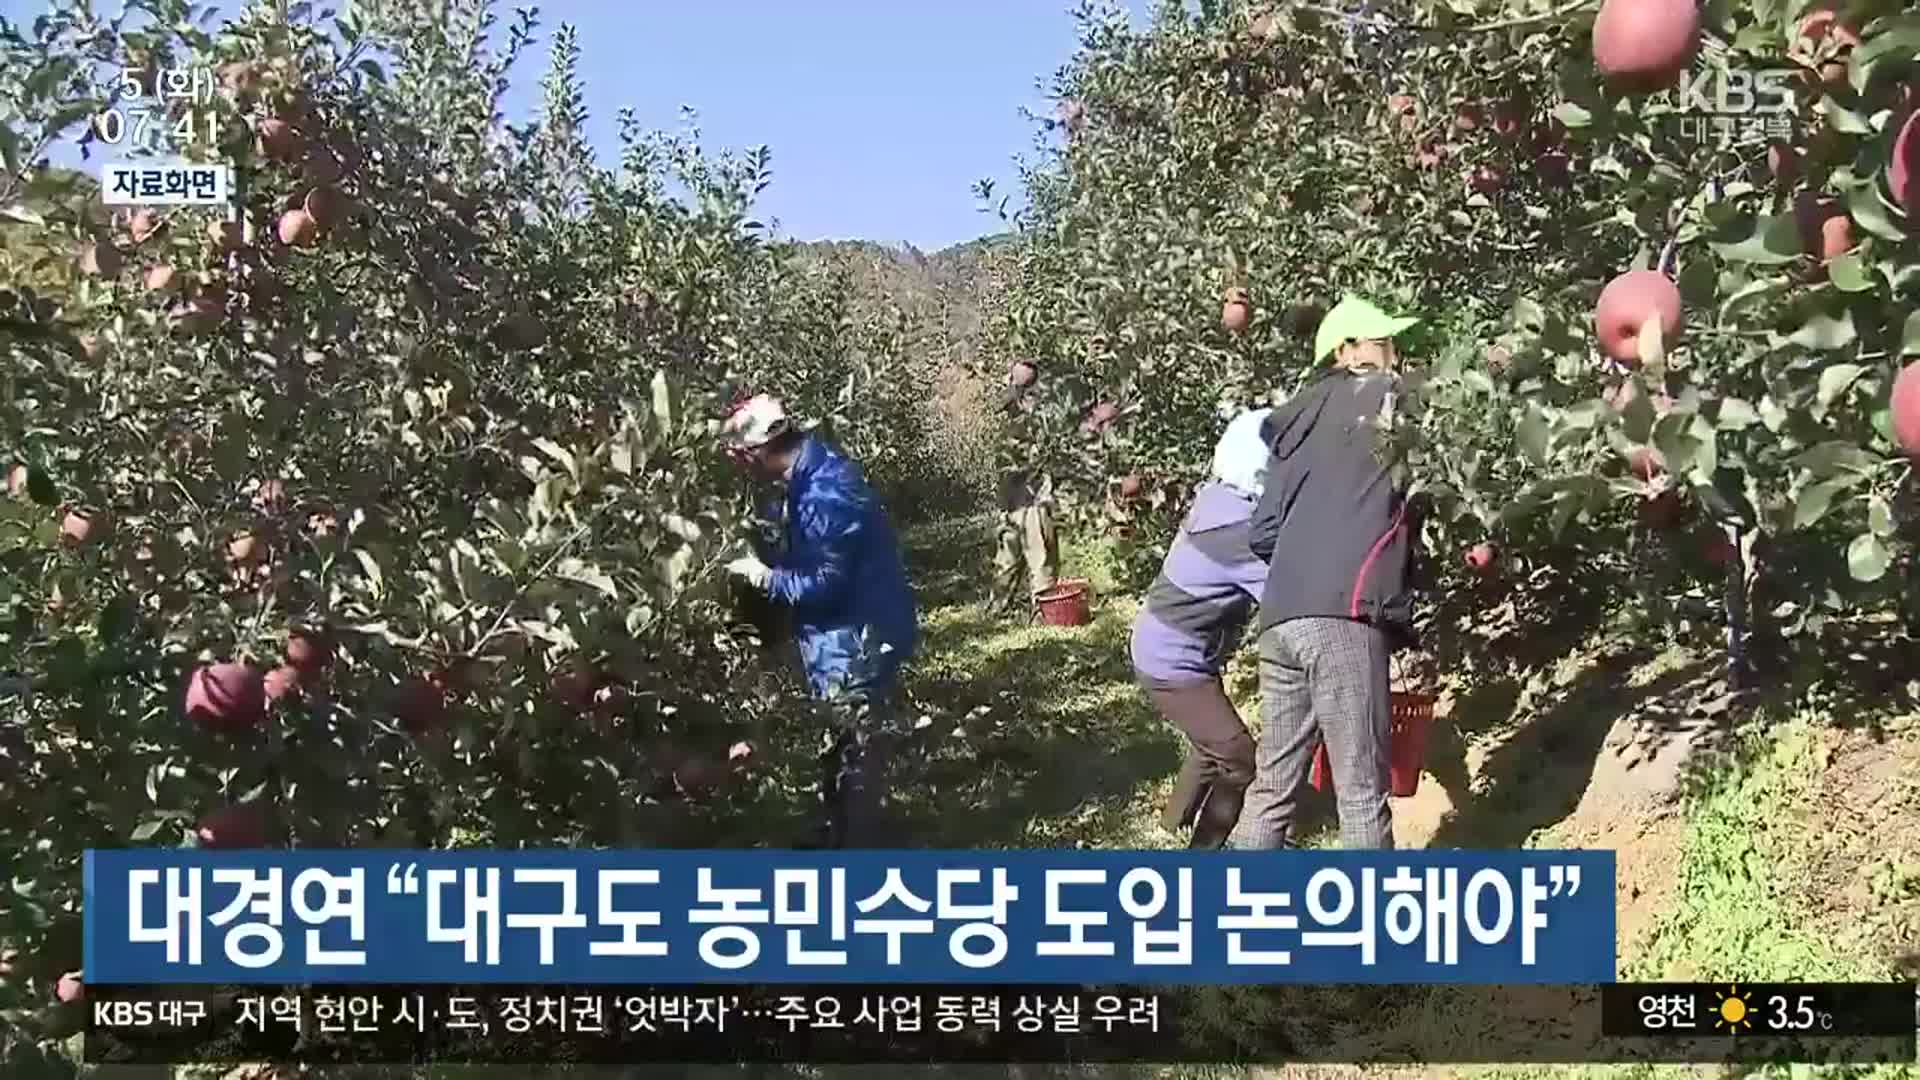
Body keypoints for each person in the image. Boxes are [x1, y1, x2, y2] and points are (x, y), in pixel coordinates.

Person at [1225, 296, 1422, 851]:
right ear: (1348, 352)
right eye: (1383, 343)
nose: (1394, 354)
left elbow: (1262, 531)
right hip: (1345, 613)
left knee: (1272, 789)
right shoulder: (1380, 397)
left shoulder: (1297, 424)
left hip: (1283, 615)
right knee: (1360, 793)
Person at [721, 394, 919, 848]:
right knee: (842, 737)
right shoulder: (808, 476)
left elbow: (826, 581)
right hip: (840, 630)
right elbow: (807, 544)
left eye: (744, 457)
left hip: (856, 633)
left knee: (857, 744)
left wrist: (765, 577)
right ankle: (840, 831)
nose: (745, 467)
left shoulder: (826, 490)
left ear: (759, 451)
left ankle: (859, 852)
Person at [1130, 406, 1274, 849]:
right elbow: (1286, 595)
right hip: (1174, 664)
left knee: (1210, 740)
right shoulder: (1242, 531)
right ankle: (1203, 854)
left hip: (1162, 646)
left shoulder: (1218, 497)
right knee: (1240, 760)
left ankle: (1172, 822)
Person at [988, 369, 1060, 614]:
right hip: (1021, 498)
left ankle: (1033, 608)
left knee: (1024, 554)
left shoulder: (1029, 420)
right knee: (1020, 555)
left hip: (1024, 499)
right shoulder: (1019, 425)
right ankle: (1017, 605)